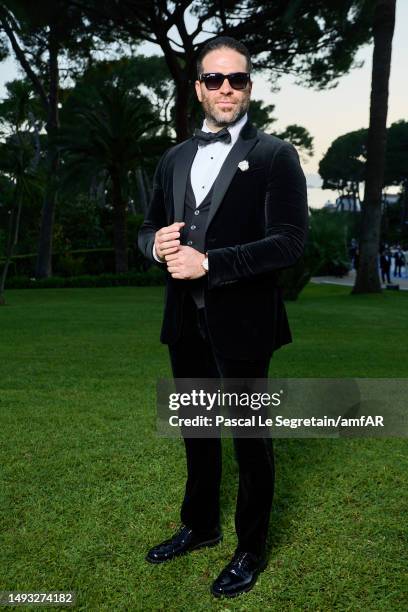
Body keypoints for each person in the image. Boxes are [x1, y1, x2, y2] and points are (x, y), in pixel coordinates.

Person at [138, 36, 308, 598]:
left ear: (250, 87)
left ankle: (250, 548)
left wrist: (210, 263)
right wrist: (155, 246)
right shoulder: (173, 157)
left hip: (245, 320)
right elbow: (146, 229)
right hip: (183, 319)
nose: (226, 88)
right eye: (214, 79)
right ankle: (202, 525)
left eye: (236, 79)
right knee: (196, 430)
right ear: (198, 89)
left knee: (249, 439)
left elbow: (288, 243)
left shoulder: (275, 156)